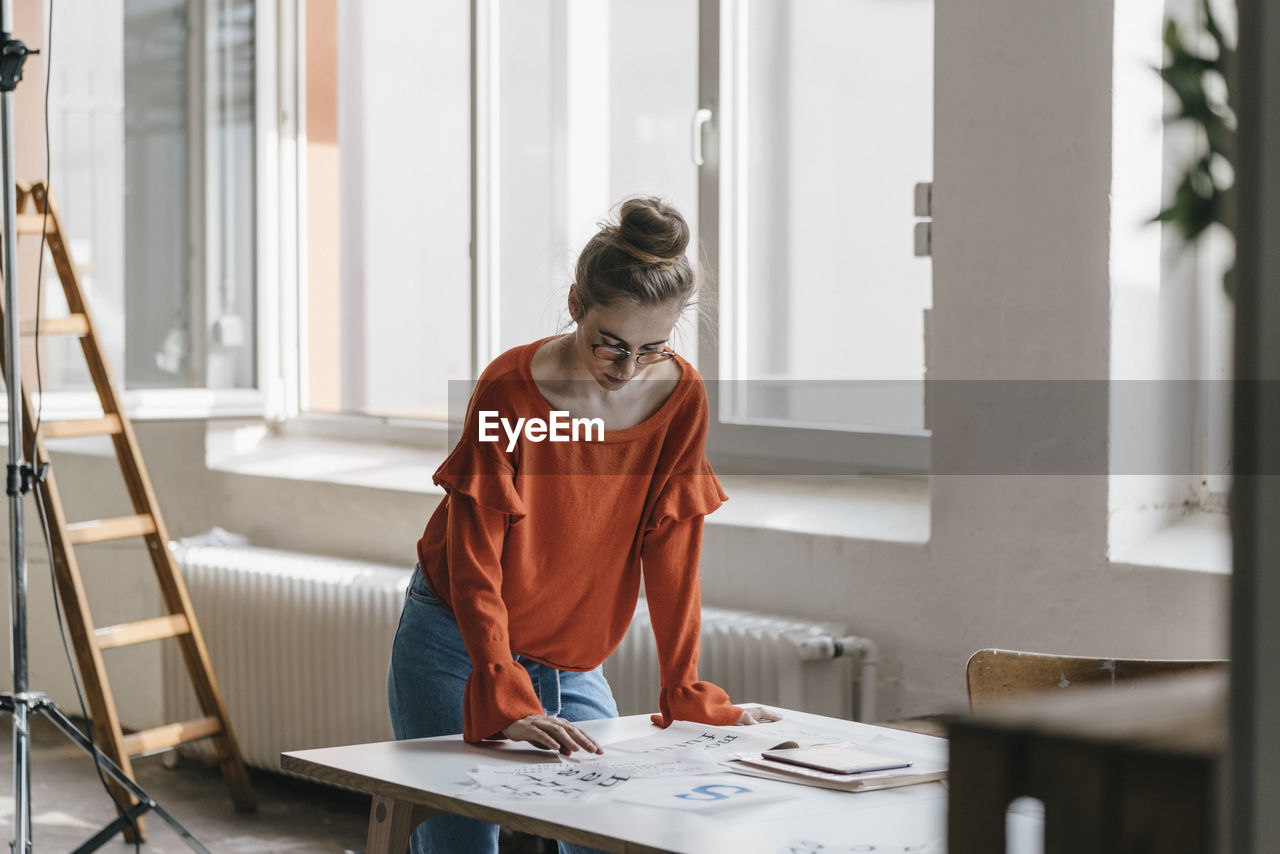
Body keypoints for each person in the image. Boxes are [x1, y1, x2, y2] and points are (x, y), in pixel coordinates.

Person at [387, 196, 779, 854]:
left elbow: (673, 550)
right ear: (576, 304)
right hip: (456, 644)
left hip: (570, 661)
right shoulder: (508, 391)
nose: (627, 372)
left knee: (608, 833)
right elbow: (475, 557)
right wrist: (501, 691)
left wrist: (682, 688)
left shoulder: (680, 399)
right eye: (612, 346)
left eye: (652, 349)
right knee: (460, 844)